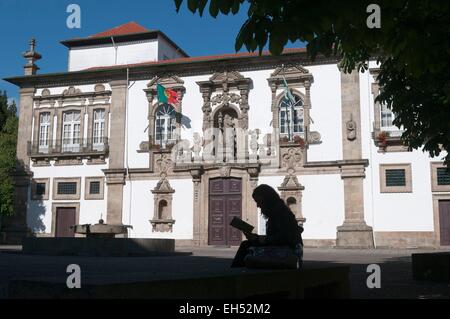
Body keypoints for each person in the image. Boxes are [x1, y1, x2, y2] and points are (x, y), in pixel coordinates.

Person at [231, 184, 304, 268]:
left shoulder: (280, 212)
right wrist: (257, 238)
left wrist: (261, 239)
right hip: (283, 248)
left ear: (267, 199)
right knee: (247, 244)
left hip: (288, 252)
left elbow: (284, 238)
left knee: (246, 246)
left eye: (258, 201)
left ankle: (235, 273)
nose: (258, 205)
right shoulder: (277, 211)